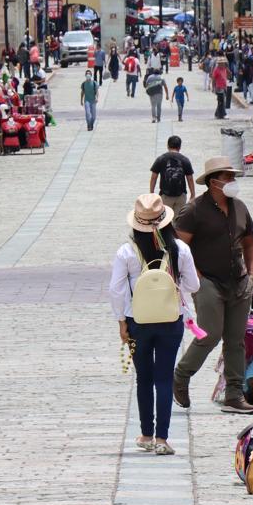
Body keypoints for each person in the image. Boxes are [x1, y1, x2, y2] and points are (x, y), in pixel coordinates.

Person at [110, 194, 201, 456]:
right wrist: (172, 290)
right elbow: (193, 285)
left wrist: (121, 322)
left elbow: (117, 290)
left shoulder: (127, 251)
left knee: (144, 378)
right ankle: (162, 438)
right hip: (170, 320)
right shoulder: (180, 249)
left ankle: (146, 435)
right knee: (163, 377)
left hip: (137, 321)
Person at [174, 156, 253, 415]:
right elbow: (179, 247)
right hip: (207, 281)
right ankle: (181, 375)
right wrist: (196, 277)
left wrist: (252, 276)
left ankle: (234, 393)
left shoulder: (240, 208)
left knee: (236, 340)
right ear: (214, 182)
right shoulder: (194, 210)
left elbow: (250, 244)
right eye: (228, 177)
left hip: (238, 281)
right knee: (210, 334)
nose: (233, 181)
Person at [149, 135, 196, 215]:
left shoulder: (161, 159)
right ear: (180, 147)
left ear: (168, 145)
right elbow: (190, 178)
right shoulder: (185, 160)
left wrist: (152, 193)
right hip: (180, 196)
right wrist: (193, 195)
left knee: (165, 220)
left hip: (166, 196)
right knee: (178, 220)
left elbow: (154, 177)